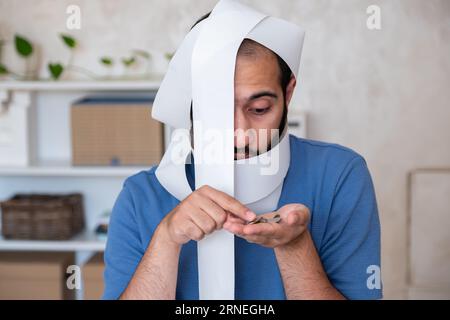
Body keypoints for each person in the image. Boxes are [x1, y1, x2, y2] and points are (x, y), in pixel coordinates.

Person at [103, 13, 382, 300]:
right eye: (216, 110)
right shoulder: (141, 196)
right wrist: (166, 239)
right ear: (189, 100)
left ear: (288, 93)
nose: (239, 135)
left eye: (259, 109)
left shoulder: (339, 176)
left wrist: (295, 246)